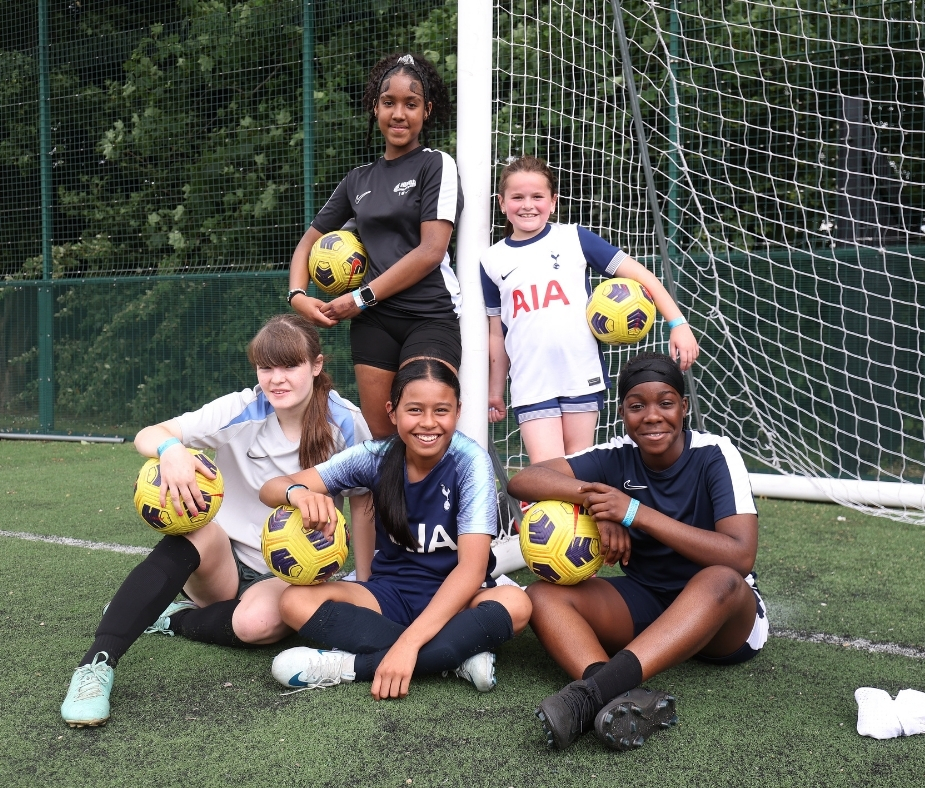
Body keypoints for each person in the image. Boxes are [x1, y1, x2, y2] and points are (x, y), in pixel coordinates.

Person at [60, 314, 373, 727]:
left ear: (316, 365)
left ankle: (172, 618)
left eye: (290, 366)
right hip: (221, 561)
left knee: (255, 624)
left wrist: (364, 581)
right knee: (191, 530)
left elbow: (363, 501)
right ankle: (95, 666)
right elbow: (148, 434)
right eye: (266, 367)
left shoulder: (346, 421)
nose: (276, 379)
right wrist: (171, 449)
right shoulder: (240, 408)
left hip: (290, 573)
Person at [506, 352, 767, 751]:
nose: (652, 416)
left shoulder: (715, 453)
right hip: (648, 601)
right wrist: (595, 503)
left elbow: (740, 556)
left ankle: (588, 697)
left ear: (684, 407)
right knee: (543, 595)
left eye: (666, 403)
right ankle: (620, 699)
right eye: (637, 406)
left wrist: (633, 513)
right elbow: (525, 480)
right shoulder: (617, 455)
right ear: (623, 413)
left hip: (724, 621)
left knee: (721, 578)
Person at [259, 358, 531, 699]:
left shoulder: (470, 461)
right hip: (389, 595)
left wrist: (409, 644)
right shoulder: (375, 456)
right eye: (414, 410)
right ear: (393, 412)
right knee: (294, 602)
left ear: (458, 412)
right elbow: (270, 488)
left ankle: (351, 666)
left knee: (516, 604)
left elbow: (471, 570)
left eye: (441, 410)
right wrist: (297, 494)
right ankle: (453, 655)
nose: (428, 423)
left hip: (458, 600)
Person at [288, 53, 463, 439]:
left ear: (427, 111)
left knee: (425, 431)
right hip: (373, 323)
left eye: (411, 104)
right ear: (375, 107)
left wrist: (360, 298)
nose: (399, 113)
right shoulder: (358, 180)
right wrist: (298, 296)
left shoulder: (436, 165)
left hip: (429, 315)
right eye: (389, 102)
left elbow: (431, 251)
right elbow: (306, 245)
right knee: (384, 441)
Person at [480, 155, 700, 463]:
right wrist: (494, 390)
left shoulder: (574, 238)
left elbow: (642, 276)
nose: (527, 205)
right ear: (502, 204)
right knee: (549, 473)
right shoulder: (491, 260)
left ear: (553, 202)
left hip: (580, 374)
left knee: (580, 469)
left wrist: (678, 324)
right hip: (530, 382)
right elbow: (497, 333)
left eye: (537, 196)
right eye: (517, 197)